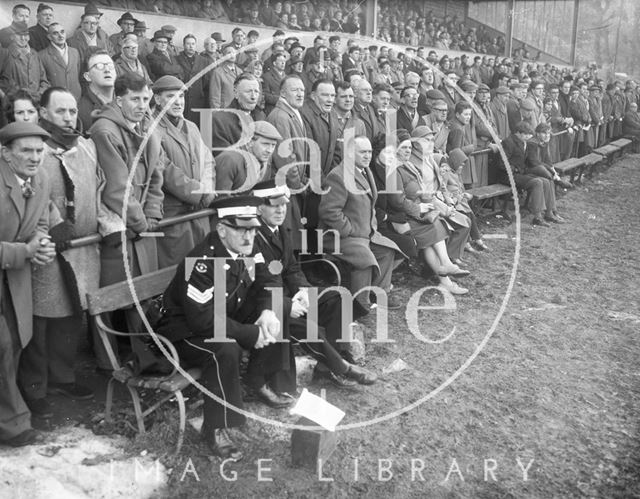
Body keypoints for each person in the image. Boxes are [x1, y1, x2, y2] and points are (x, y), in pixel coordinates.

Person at [156, 196, 285, 461]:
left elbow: (268, 280)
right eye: (241, 229)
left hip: (215, 319)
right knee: (224, 349)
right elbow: (202, 321)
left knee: (278, 306)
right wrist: (251, 334)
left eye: (252, 229)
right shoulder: (202, 261)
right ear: (222, 230)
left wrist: (268, 311)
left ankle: (257, 380)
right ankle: (214, 428)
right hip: (181, 333)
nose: (249, 237)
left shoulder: (248, 249)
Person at [20, 88, 103, 418]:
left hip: (83, 248)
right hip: (48, 248)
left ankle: (63, 377)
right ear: (43, 112)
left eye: (72, 111)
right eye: (60, 111)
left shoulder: (85, 147)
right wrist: (50, 228)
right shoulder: (36, 151)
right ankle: (35, 386)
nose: (69, 117)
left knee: (71, 316)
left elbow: (97, 190)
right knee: (40, 321)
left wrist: (107, 223)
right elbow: (26, 197)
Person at [88, 73, 164, 369]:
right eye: (135, 99)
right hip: (119, 225)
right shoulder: (105, 130)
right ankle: (109, 364)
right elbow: (118, 188)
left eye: (146, 99)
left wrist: (154, 213)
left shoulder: (147, 126)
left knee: (142, 292)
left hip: (142, 221)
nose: (142, 105)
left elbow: (156, 173)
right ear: (118, 99)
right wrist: (142, 222)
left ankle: (145, 357)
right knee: (112, 295)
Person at [0, 121, 57, 446]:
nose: (35, 157)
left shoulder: (42, 178)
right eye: (26, 151)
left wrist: (41, 243)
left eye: (39, 150)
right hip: (10, 265)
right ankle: (14, 426)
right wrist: (25, 251)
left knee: (15, 343)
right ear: (6, 154)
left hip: (15, 279)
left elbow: (43, 221)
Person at [319, 135, 406, 311]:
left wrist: (371, 228)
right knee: (364, 257)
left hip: (365, 232)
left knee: (387, 250)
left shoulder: (364, 172)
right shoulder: (338, 176)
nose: (367, 156)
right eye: (362, 152)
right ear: (350, 153)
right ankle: (360, 304)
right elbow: (329, 211)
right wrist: (350, 230)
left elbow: (369, 205)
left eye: (369, 152)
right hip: (338, 237)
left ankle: (379, 292)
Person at [152, 76, 216, 268]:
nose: (178, 102)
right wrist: (198, 191)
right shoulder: (151, 129)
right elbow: (165, 170)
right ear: (157, 99)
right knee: (177, 275)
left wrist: (207, 188)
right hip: (174, 217)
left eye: (181, 97)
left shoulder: (192, 126)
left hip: (198, 213)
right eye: (171, 96)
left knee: (202, 274)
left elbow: (208, 161)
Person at [500, 121, 561, 226]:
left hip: (520, 174)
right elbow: (502, 163)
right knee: (537, 182)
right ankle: (537, 217)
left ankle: (549, 213)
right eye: (526, 134)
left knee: (546, 181)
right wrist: (515, 169)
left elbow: (531, 160)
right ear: (519, 133)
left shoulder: (524, 142)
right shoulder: (508, 142)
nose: (529, 136)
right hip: (508, 176)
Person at [215, 120, 281, 193]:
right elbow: (221, 199)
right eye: (265, 144)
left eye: (273, 145)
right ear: (249, 142)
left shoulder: (264, 159)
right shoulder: (229, 159)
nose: (270, 150)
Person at [211, 74, 265, 155]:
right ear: (236, 93)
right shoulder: (219, 120)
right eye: (248, 91)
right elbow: (226, 159)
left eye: (256, 91)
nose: (253, 96)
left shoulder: (261, 116)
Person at [0, 22, 49, 100]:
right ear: (12, 37)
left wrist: (40, 93)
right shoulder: (5, 55)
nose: (23, 38)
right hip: (17, 102)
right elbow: (4, 83)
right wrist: (22, 97)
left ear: (29, 37)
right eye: (19, 35)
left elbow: (44, 80)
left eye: (26, 35)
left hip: (38, 101)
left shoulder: (34, 54)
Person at [39, 22, 82, 101]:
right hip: (56, 99)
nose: (60, 36)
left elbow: (78, 73)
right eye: (55, 33)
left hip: (75, 98)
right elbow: (43, 81)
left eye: (62, 32)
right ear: (49, 37)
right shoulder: (42, 55)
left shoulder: (75, 52)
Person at [77, 50, 114, 131]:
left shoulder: (124, 101)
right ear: (87, 76)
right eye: (99, 66)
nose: (107, 70)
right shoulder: (81, 112)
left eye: (110, 65)